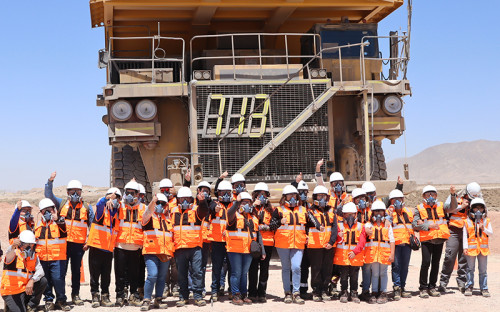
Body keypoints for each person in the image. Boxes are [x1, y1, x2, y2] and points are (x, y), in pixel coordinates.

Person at [45, 172, 94, 306]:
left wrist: (88, 242)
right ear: (67, 192)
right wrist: (50, 182)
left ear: (81, 192)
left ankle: (76, 294)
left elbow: (93, 226)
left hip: (79, 245)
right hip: (63, 244)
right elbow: (48, 196)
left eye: (77, 191)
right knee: (61, 271)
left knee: (76, 271)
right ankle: (61, 297)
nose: (75, 194)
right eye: (72, 191)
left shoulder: (87, 207)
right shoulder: (61, 204)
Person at [439, 182, 482, 294]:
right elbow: (446, 209)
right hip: (453, 230)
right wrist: (461, 207)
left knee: (464, 257)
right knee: (450, 256)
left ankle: (462, 282)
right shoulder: (454, 197)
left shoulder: (476, 199)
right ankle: (443, 282)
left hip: (468, 232)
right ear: (466, 192)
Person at [171, 187, 209, 307]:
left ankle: (197, 296)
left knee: (197, 272)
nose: (185, 202)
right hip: (180, 248)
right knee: (181, 274)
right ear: (178, 200)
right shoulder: (173, 211)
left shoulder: (196, 210)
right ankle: (183, 297)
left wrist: (202, 202)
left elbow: (204, 212)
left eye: (187, 199)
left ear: (191, 200)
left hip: (195, 248)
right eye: (182, 199)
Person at [226, 192, 266, 305]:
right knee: (236, 273)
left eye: (248, 202)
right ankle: (235, 295)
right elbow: (229, 214)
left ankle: (244, 294)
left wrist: (262, 250)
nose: (246, 204)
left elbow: (258, 235)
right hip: (234, 249)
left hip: (248, 250)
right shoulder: (234, 215)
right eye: (244, 202)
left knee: (244, 273)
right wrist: (236, 202)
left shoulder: (253, 217)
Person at [271, 185, 307, 304]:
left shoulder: (303, 209)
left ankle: (296, 293)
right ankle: (287, 292)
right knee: (286, 268)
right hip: (283, 243)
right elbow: (272, 225)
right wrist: (279, 222)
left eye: (294, 195)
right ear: (285, 197)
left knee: (296, 267)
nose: (292, 197)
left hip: (298, 243)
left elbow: (311, 223)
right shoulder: (279, 210)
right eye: (290, 195)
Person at [413, 185, 450, 298]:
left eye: (433, 194)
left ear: (436, 195)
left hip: (439, 239)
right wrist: (429, 225)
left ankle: (432, 286)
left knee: (435, 264)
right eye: (428, 194)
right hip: (427, 240)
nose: (430, 196)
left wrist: (452, 194)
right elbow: (414, 225)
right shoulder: (419, 208)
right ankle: (423, 288)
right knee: (425, 263)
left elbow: (451, 209)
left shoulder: (442, 206)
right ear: (423, 196)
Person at [86, 188, 121, 308]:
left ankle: (105, 296)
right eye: (112, 198)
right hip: (96, 248)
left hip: (108, 250)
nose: (114, 200)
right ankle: (95, 295)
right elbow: (99, 204)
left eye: (116, 198)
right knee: (95, 275)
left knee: (106, 275)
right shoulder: (102, 211)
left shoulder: (116, 215)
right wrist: (106, 199)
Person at [140, 193, 174, 311]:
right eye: (158, 203)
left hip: (164, 253)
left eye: (162, 204)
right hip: (151, 252)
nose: (159, 205)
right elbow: (146, 214)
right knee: (152, 275)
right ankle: (146, 300)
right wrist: (152, 202)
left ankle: (158, 300)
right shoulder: (149, 217)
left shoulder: (168, 220)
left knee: (161, 277)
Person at [34, 198, 70, 311]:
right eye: (45, 211)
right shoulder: (37, 224)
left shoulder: (60, 222)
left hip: (58, 258)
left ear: (54, 210)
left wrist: (58, 219)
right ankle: (49, 300)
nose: (48, 213)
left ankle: (61, 301)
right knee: (46, 281)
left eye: (50, 209)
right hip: (43, 258)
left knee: (58, 279)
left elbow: (64, 232)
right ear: (41, 212)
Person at [114, 181, 146, 307]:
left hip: (136, 246)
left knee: (134, 274)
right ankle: (120, 296)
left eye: (132, 193)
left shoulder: (143, 208)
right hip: (121, 245)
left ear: (138, 194)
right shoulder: (119, 207)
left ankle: (134, 295)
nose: (129, 195)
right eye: (127, 192)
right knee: (120, 273)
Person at [1, 230, 47, 312]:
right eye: (26, 244)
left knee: (43, 281)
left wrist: (32, 280)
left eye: (31, 244)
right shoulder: (13, 253)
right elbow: (9, 253)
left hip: (24, 289)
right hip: (11, 291)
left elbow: (40, 271)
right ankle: (9, 306)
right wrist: (12, 246)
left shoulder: (34, 256)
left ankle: (31, 306)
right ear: (20, 244)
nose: (29, 247)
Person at [306, 185, 337, 302]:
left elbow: (334, 228)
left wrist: (331, 241)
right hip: (315, 245)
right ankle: (316, 291)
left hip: (329, 245)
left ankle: (324, 290)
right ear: (315, 197)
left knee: (327, 269)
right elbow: (312, 222)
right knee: (316, 269)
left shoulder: (332, 210)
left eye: (324, 196)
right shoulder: (311, 212)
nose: (322, 198)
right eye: (319, 196)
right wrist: (318, 226)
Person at [248, 182, 275, 303]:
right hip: (254, 243)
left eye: (264, 194)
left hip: (267, 242)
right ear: (255, 195)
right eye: (259, 194)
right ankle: (252, 292)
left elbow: (276, 224)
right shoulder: (251, 208)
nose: (262, 196)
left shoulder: (271, 209)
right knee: (253, 269)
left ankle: (262, 293)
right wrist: (253, 205)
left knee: (264, 269)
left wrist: (266, 227)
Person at [363, 200, 395, 304]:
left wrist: (392, 254)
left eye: (380, 212)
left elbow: (392, 240)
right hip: (373, 254)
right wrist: (366, 230)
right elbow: (363, 230)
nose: (378, 214)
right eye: (376, 212)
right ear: (372, 213)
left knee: (383, 273)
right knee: (375, 273)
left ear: (384, 213)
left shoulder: (387, 225)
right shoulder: (368, 224)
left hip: (384, 254)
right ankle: (374, 292)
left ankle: (383, 292)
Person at [333, 202, 366, 304]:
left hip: (355, 257)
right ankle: (344, 292)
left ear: (356, 214)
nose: (350, 216)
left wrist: (355, 252)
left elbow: (362, 241)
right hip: (342, 257)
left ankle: (354, 293)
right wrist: (339, 236)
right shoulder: (339, 226)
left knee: (354, 276)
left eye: (352, 214)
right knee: (343, 276)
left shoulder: (361, 226)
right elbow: (336, 240)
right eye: (347, 214)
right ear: (343, 215)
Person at [387, 189, 414, 300]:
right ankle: (397, 287)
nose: (398, 201)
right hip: (396, 244)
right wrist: (388, 213)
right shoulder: (389, 213)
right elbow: (386, 224)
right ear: (391, 201)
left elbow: (414, 223)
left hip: (407, 243)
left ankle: (402, 286)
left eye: (400, 199)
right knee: (396, 266)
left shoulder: (408, 211)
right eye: (395, 200)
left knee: (405, 266)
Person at [463, 198, 492, 297]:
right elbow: (464, 236)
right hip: (471, 249)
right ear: (472, 209)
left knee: (483, 270)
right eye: (476, 208)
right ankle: (469, 286)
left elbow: (490, 233)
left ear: (484, 209)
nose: (478, 210)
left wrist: (484, 229)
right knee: (470, 269)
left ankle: (484, 288)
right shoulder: (467, 221)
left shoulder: (486, 221)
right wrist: (465, 247)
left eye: (480, 208)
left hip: (483, 250)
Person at [208, 180, 231, 302]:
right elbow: (210, 207)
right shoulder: (214, 204)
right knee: (216, 267)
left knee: (232, 266)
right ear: (218, 193)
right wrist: (214, 209)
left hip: (231, 241)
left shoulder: (234, 205)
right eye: (223, 192)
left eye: (228, 192)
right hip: (217, 241)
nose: (226, 195)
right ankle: (214, 290)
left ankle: (232, 290)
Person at [159, 178, 179, 298]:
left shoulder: (178, 201)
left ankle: (175, 285)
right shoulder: (158, 202)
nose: (166, 192)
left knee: (175, 264)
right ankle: (165, 285)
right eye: (163, 190)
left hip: (175, 235)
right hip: (163, 236)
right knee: (165, 263)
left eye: (168, 189)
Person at [295, 180, 312, 299]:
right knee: (295, 266)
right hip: (296, 241)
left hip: (306, 241)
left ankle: (304, 289)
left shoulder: (309, 207)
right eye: (301, 192)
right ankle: (294, 289)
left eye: (305, 192)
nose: (303, 195)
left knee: (305, 266)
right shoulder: (294, 207)